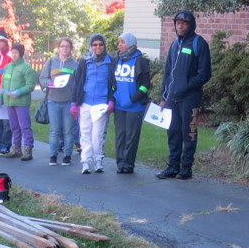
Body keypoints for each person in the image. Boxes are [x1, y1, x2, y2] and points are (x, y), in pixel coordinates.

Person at [156, 10, 212, 180]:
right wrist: (164, 97)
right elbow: (167, 74)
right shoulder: (174, 45)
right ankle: (173, 166)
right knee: (173, 132)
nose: (180, 26)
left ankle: (186, 168)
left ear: (190, 25)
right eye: (177, 23)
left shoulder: (198, 43)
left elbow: (205, 74)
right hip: (172, 98)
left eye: (184, 23)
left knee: (189, 132)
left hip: (190, 98)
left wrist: (186, 87)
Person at [71, 33, 115, 174]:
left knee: (97, 135)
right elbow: (77, 82)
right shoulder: (84, 61)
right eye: (95, 45)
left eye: (100, 44)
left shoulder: (110, 61)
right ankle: (85, 162)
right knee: (85, 133)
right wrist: (74, 103)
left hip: (101, 105)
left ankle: (98, 160)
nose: (98, 47)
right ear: (90, 46)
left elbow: (113, 84)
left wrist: (111, 100)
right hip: (85, 102)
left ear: (104, 46)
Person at [112, 32, 152, 174]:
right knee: (120, 135)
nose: (120, 45)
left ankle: (128, 164)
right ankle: (120, 163)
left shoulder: (140, 61)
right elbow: (113, 81)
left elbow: (145, 85)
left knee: (131, 136)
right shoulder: (117, 60)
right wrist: (115, 94)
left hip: (134, 107)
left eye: (123, 42)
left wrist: (133, 99)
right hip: (119, 106)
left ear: (130, 44)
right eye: (119, 42)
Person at [39, 37, 79, 166]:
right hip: (53, 101)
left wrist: (74, 97)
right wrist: (49, 83)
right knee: (54, 130)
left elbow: (78, 83)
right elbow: (42, 78)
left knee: (68, 131)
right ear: (58, 47)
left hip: (68, 101)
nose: (64, 49)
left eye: (67, 46)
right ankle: (53, 155)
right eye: (62, 46)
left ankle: (67, 155)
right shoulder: (51, 62)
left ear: (71, 48)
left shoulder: (75, 65)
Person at [0, 42, 38, 161]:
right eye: (13, 52)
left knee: (24, 126)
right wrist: (0, 97)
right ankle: (16, 148)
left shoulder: (26, 68)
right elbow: (3, 83)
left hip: (21, 102)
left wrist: (19, 92)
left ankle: (28, 149)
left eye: (16, 53)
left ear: (21, 54)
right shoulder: (8, 67)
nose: (14, 55)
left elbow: (31, 85)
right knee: (14, 126)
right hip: (9, 102)